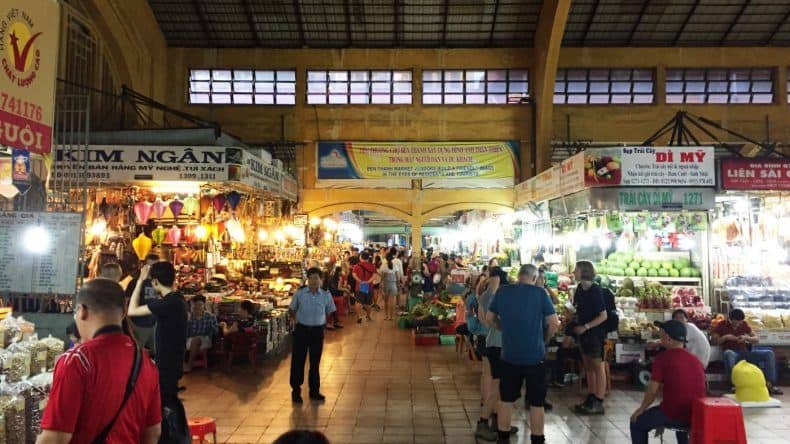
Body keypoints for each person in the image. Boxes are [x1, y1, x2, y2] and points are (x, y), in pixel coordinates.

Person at [39, 279, 161, 444]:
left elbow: (55, 439)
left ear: (82, 311)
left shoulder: (77, 360)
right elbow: (153, 433)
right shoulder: (146, 363)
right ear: (124, 313)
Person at [486, 264, 559, 444]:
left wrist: (502, 328)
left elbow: (489, 318)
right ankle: (537, 439)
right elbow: (554, 323)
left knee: (506, 400)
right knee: (536, 403)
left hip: (509, 355)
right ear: (534, 278)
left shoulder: (503, 291)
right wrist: (545, 339)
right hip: (535, 357)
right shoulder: (540, 294)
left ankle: (503, 438)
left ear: (519, 276)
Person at [630, 320, 706, 444]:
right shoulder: (696, 360)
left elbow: (652, 391)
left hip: (672, 414)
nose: (660, 337)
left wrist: (641, 409)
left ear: (668, 338)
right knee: (682, 426)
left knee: (636, 423)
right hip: (696, 414)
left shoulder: (662, 359)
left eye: (661, 334)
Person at [127, 261, 188, 415]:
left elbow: (132, 310)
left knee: (166, 406)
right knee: (169, 402)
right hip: (173, 360)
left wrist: (140, 281)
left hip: (168, 364)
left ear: (154, 282)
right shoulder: (177, 299)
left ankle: (174, 429)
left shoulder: (168, 303)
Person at [289, 267, 336, 403]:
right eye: (311, 278)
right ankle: (296, 390)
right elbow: (292, 309)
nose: (313, 281)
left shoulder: (326, 295)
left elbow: (330, 310)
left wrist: (321, 321)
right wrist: (296, 320)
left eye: (316, 278)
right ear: (307, 279)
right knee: (298, 361)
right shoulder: (300, 293)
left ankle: (314, 391)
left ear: (321, 280)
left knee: (315, 362)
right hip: (302, 330)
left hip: (317, 332)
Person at [712, 308, 782, 394]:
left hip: (745, 352)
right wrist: (726, 337)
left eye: (740, 322)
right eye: (736, 322)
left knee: (769, 353)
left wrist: (746, 338)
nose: (738, 324)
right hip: (732, 353)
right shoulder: (721, 325)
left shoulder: (744, 324)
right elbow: (714, 341)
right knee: (728, 353)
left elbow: (756, 339)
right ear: (730, 319)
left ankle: (770, 383)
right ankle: (734, 384)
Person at [475, 266, 509, 441]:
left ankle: (500, 422)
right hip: (497, 344)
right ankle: (484, 422)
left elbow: (484, 319)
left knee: (499, 387)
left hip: (493, 342)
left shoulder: (486, 294)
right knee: (497, 387)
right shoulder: (495, 295)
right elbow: (488, 319)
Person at [570, 261, 609, 415]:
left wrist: (586, 326)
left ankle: (599, 400)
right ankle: (591, 396)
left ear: (584, 272)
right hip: (584, 334)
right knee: (588, 366)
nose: (574, 272)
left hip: (595, 334)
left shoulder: (595, 290)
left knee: (598, 366)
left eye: (576, 269)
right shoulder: (580, 289)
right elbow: (578, 308)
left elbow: (603, 315)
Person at [125, 254, 161, 354]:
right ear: (144, 266)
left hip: (155, 325)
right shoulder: (134, 282)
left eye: (155, 266)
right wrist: (130, 324)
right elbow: (125, 304)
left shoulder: (159, 282)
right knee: (137, 354)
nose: (152, 269)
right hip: (139, 326)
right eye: (149, 266)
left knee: (157, 353)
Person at [184, 295, 217, 372]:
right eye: (194, 305)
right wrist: (187, 322)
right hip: (190, 339)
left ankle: (189, 366)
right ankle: (180, 364)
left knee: (196, 339)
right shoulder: (189, 316)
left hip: (205, 339)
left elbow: (215, 332)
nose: (197, 307)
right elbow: (185, 333)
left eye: (199, 305)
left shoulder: (210, 316)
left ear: (204, 305)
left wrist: (211, 327)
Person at [352, 252, 376, 323]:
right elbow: (374, 275)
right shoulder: (372, 265)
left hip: (360, 286)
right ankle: (368, 316)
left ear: (360, 257)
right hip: (369, 286)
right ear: (368, 258)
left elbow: (354, 275)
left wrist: (360, 281)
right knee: (369, 303)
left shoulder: (356, 266)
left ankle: (359, 317)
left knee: (358, 302)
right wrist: (368, 281)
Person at [380, 253, 399, 321]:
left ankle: (386, 316)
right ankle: (391, 316)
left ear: (386, 258)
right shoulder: (395, 265)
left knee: (386, 301)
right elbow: (397, 276)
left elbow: (382, 276)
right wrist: (398, 285)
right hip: (393, 284)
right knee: (392, 302)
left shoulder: (383, 266)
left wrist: (380, 283)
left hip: (386, 284)